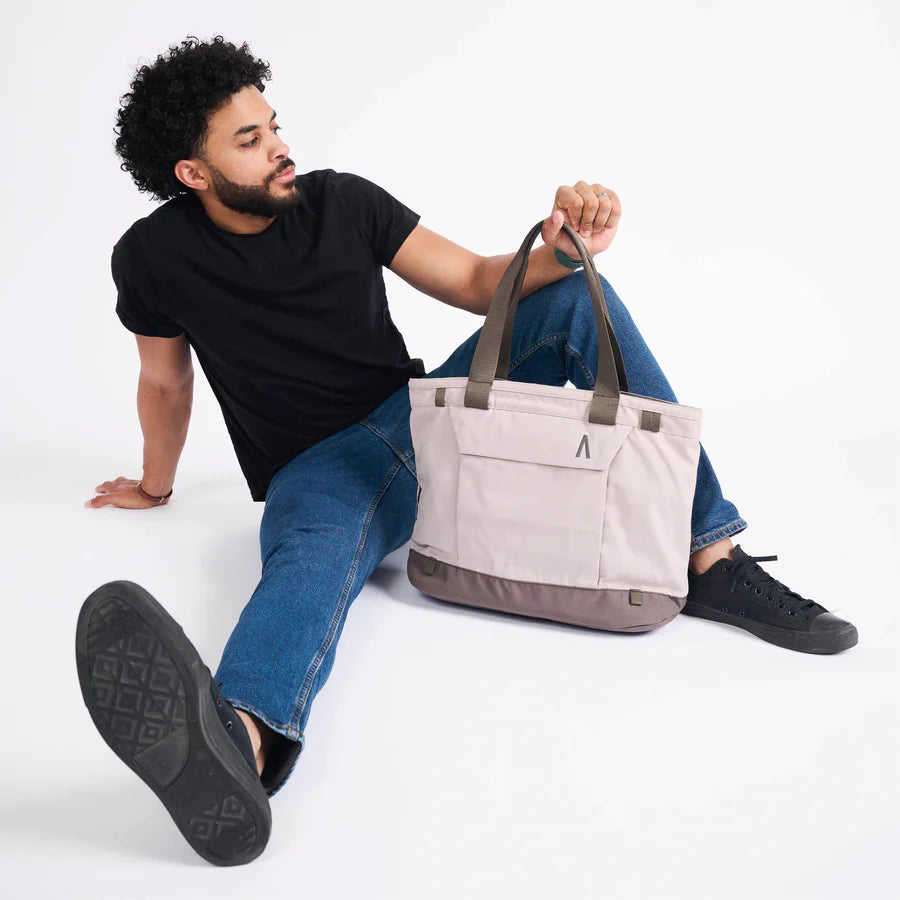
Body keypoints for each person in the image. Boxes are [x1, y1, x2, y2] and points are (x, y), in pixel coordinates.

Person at [76, 34, 858, 867]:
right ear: (192, 173)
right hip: (321, 474)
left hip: (423, 423)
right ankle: (237, 741)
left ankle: (711, 555)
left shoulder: (343, 201)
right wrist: (155, 485)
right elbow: (164, 382)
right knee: (307, 571)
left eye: (274, 126)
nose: (280, 148)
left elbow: (480, 284)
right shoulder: (151, 258)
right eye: (250, 140)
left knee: (573, 306)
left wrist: (565, 247)